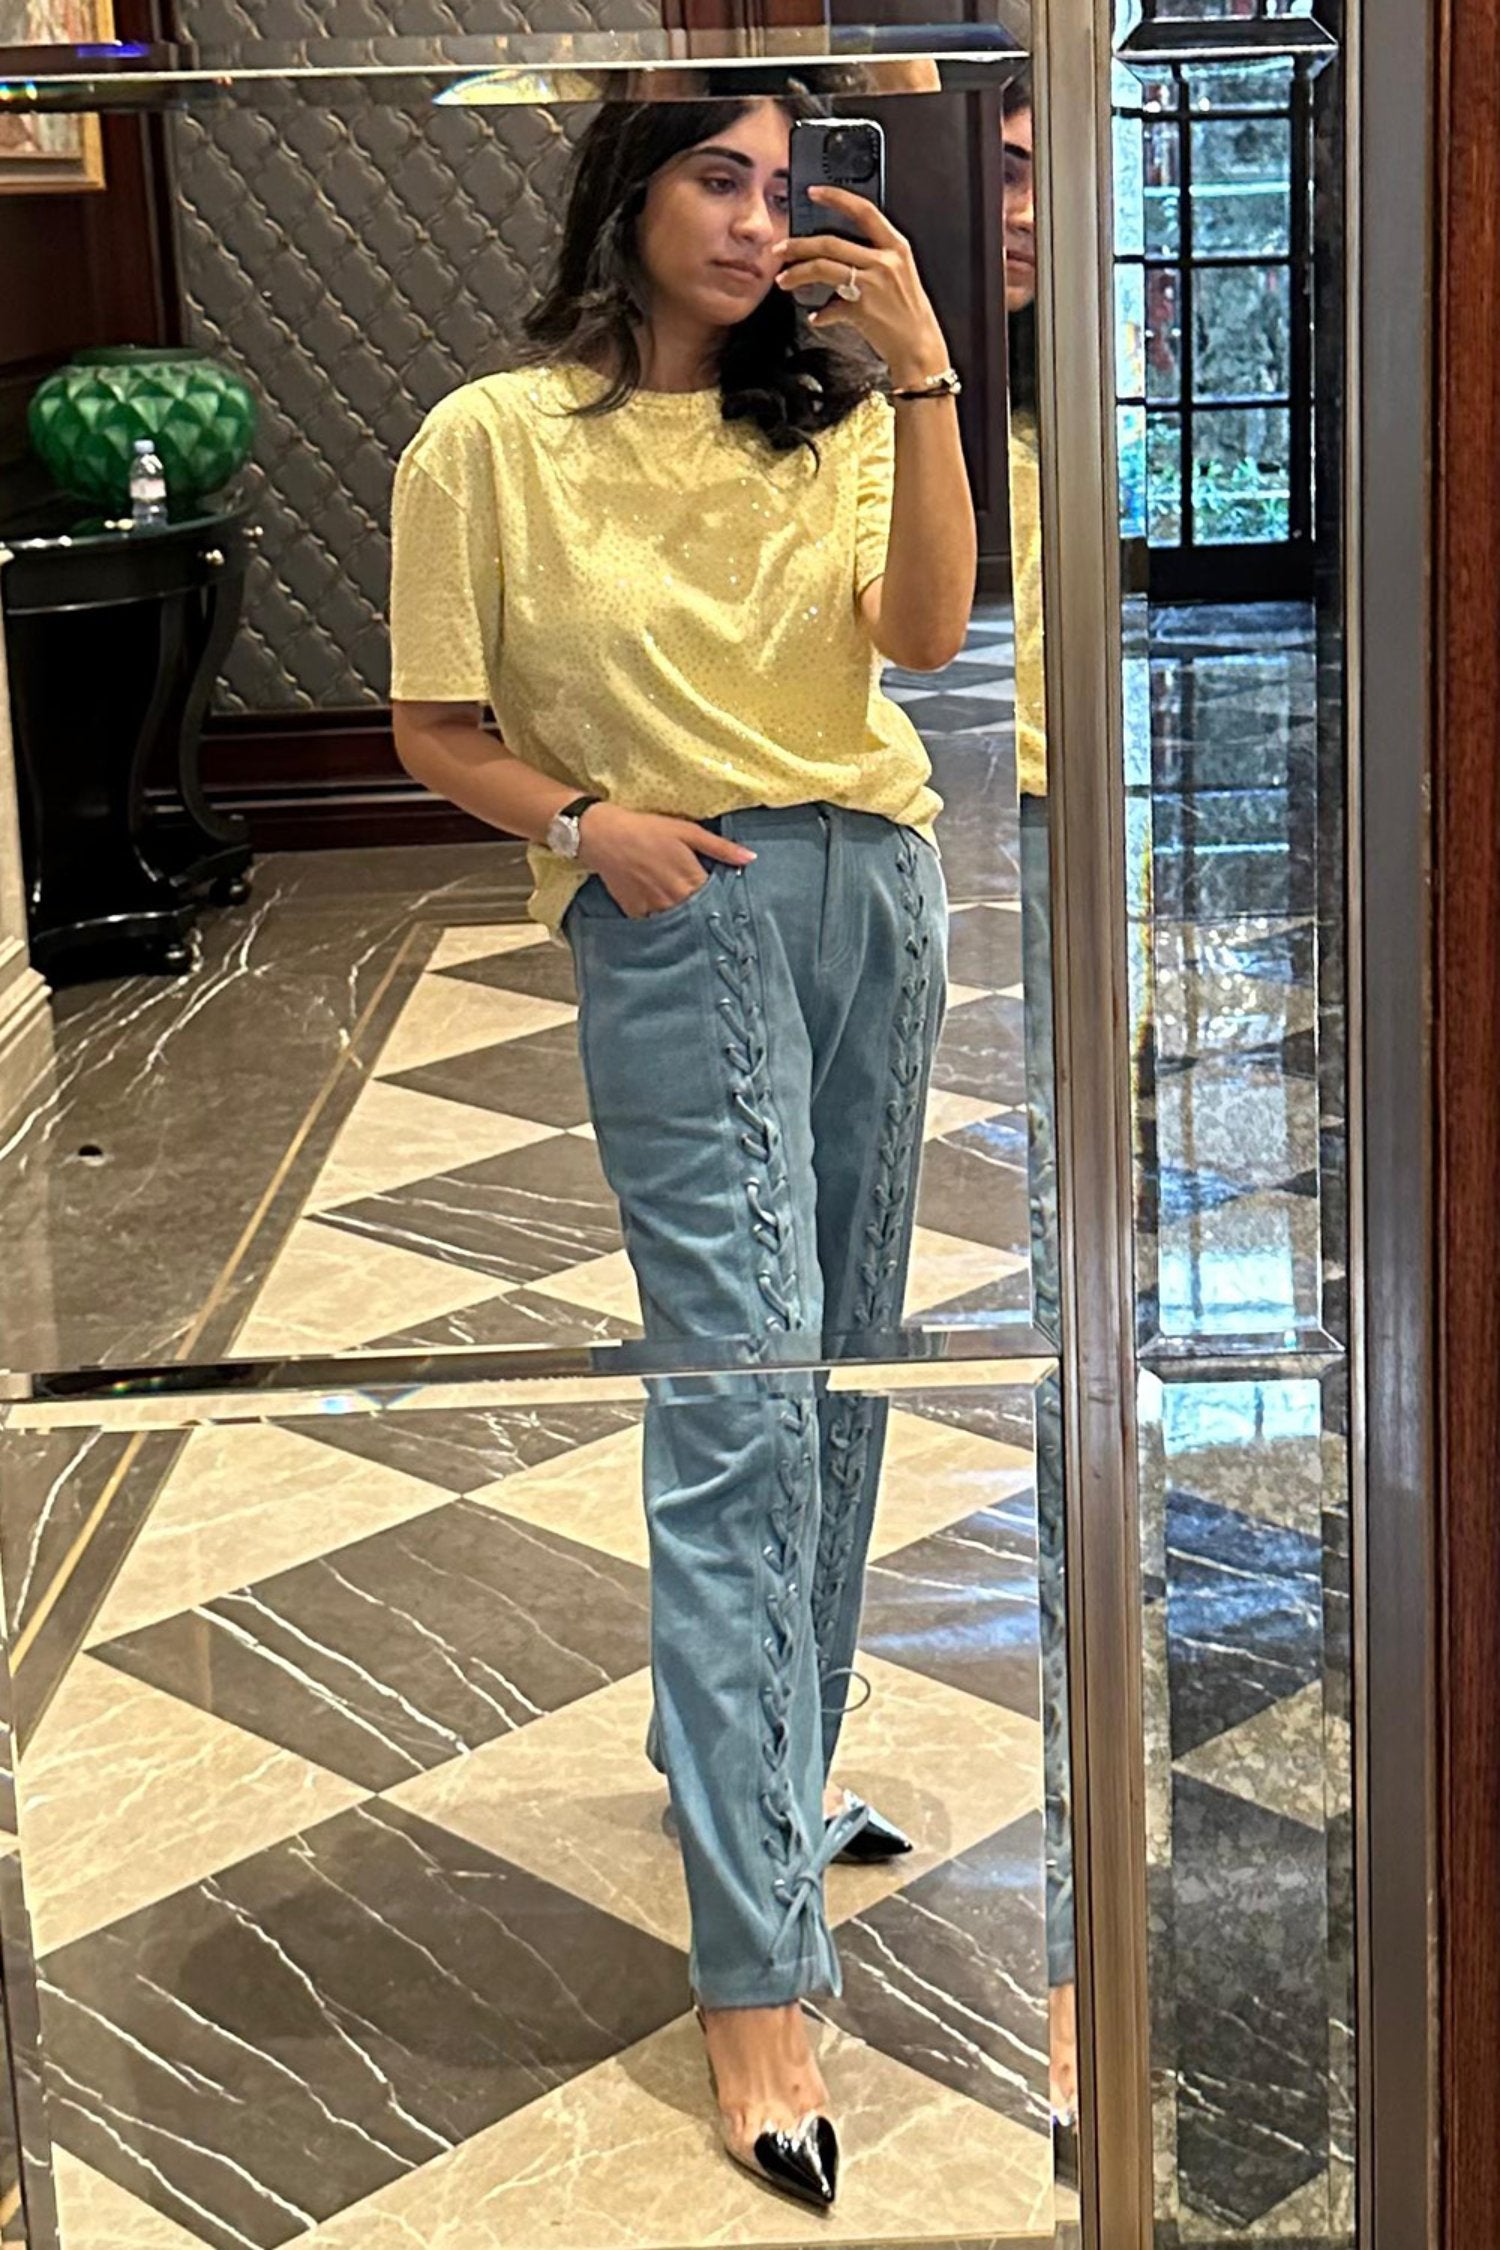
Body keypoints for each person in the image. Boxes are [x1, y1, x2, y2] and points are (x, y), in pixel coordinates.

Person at [388, 92, 974, 2210]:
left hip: (877, 894)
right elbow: (435, 727)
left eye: (781, 183)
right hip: (676, 901)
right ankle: (755, 1971)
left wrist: (929, 372)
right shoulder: (486, 442)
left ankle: (761, 1777)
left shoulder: (831, 419)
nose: (756, 217)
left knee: (848, 1368)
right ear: (625, 192)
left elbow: (927, 639)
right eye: (717, 176)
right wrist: (583, 825)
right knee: (738, 1400)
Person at [1000, 67, 1081, 2139]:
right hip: (943, 825)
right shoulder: (854, 394)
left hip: (1120, 811)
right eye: (989, 166)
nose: (1023, 198)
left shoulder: (1095, 369)